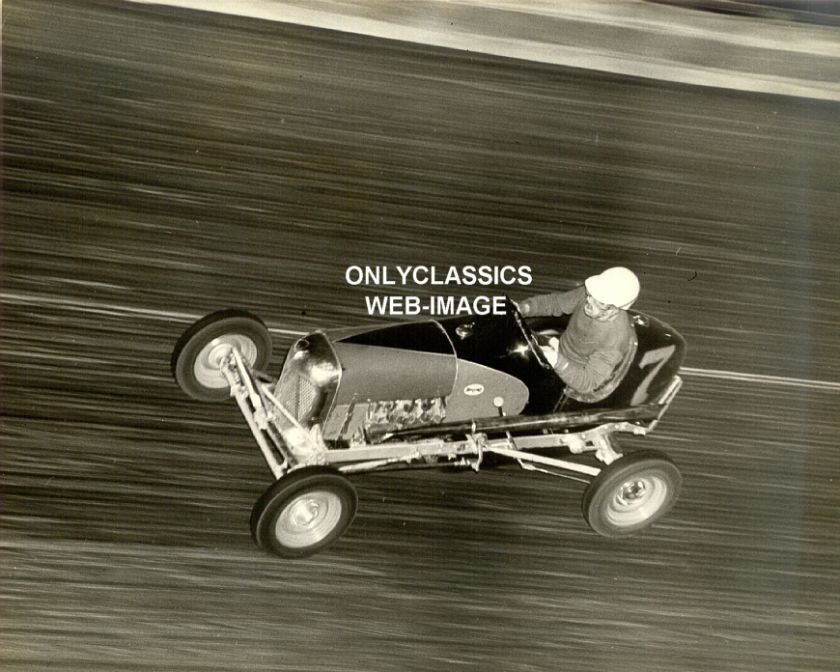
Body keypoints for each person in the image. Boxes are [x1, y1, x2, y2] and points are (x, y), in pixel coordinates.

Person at [518, 267, 640, 396]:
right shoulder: (592, 294)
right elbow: (555, 303)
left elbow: (588, 382)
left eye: (599, 302)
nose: (589, 301)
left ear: (615, 309)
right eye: (590, 295)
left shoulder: (615, 339)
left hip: (571, 375)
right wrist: (524, 308)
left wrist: (556, 361)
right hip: (557, 349)